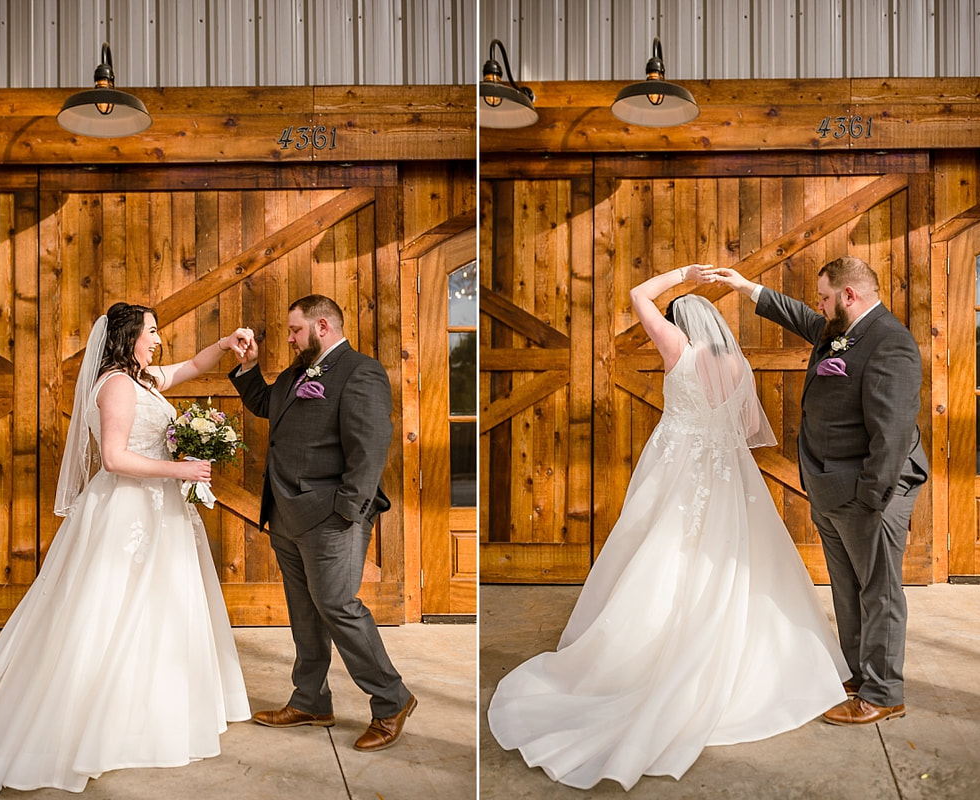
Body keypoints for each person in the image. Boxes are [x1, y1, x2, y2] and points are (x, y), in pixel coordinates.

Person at [487, 264, 850, 791]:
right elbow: (748, 428)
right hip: (729, 471)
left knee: (660, 553)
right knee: (735, 558)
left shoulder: (679, 348)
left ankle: (643, 657)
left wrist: (684, 275)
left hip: (678, 466)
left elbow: (637, 294)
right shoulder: (736, 364)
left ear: (678, 325)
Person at [0, 302, 254, 794]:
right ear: (128, 336)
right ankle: (93, 715)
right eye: (152, 332)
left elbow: (191, 367)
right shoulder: (115, 385)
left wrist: (224, 346)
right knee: (110, 609)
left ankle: (145, 707)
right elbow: (113, 458)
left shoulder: (144, 380)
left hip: (158, 512)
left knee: (156, 609)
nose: (158, 340)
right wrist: (182, 469)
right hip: (127, 512)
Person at [705, 257, 928, 725]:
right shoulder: (839, 330)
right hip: (830, 488)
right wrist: (747, 288)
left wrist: (869, 501)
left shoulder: (891, 343)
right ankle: (858, 675)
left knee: (879, 591)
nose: (819, 306)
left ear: (850, 295)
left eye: (825, 297)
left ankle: (884, 692)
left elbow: (890, 437)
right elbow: (801, 318)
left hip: (870, 494)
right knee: (848, 589)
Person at [229, 294, 416, 751]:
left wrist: (347, 511)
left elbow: (370, 448)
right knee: (305, 611)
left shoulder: (361, 372)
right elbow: (267, 406)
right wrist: (249, 367)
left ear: (323, 326)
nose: (290, 339)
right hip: (287, 513)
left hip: (332, 516)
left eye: (295, 330)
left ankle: (391, 700)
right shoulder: (297, 372)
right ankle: (310, 699)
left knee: (336, 605)